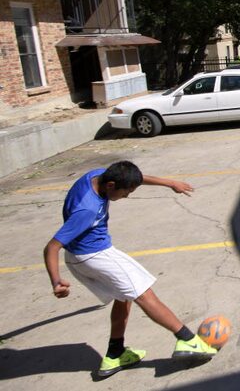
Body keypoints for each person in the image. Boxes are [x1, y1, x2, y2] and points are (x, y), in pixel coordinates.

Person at [43, 161, 217, 378]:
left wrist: (170, 183)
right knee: (145, 293)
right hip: (95, 255)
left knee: (124, 297)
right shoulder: (87, 209)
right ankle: (188, 340)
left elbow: (138, 178)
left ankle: (114, 354)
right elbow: (52, 247)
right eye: (125, 193)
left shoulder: (98, 176)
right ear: (111, 186)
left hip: (83, 255)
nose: (127, 197)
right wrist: (56, 281)